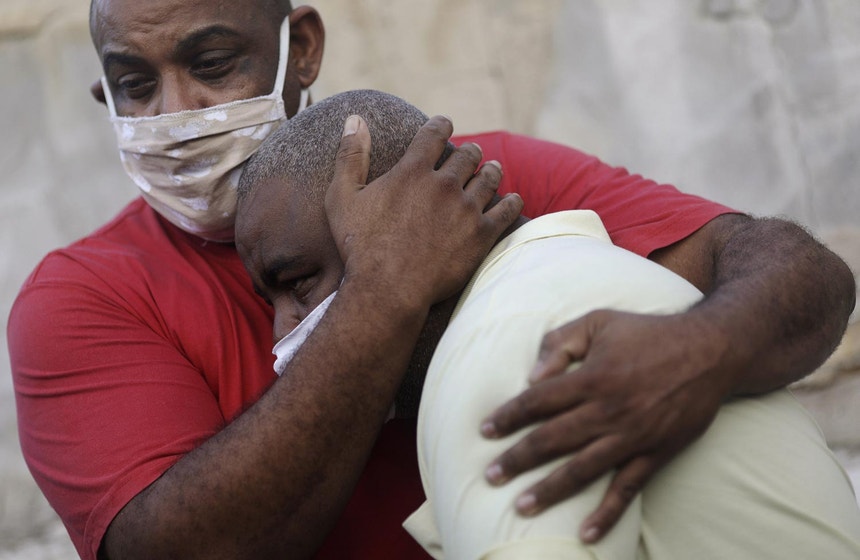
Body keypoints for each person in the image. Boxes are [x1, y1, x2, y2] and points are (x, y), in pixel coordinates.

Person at [6, 0, 855, 558]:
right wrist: (385, 294)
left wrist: (699, 352)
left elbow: (797, 272)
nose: (176, 114)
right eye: (134, 84)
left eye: (214, 61)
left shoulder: (471, 180)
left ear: (299, 49)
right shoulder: (82, 300)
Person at [235, 88, 860, 559]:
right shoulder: (553, 276)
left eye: (298, 283)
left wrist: (709, 345)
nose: (280, 334)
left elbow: (802, 267)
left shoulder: (504, 351)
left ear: (406, 215)